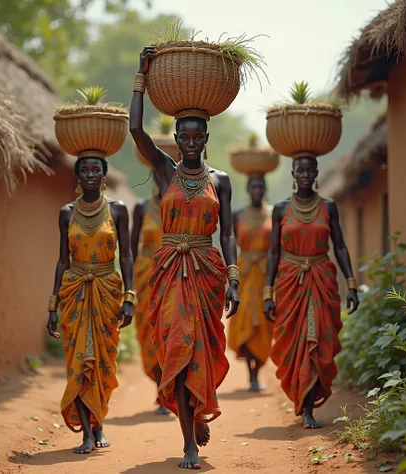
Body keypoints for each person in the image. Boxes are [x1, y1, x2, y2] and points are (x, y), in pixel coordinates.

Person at [129, 46, 240, 470]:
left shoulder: (221, 181)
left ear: (206, 139)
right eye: (184, 136)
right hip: (169, 270)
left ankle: (195, 413)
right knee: (176, 346)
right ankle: (188, 441)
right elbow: (136, 129)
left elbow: (227, 232)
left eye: (198, 136)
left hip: (208, 272)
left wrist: (232, 276)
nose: (191, 143)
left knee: (202, 350)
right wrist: (141, 75)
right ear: (175, 139)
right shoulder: (163, 171)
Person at [46, 155, 134, 454]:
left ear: (104, 175)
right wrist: (52, 305)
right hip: (74, 293)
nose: (91, 174)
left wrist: (129, 298)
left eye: (96, 169)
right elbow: (61, 260)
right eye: (85, 170)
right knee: (79, 362)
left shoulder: (118, 210)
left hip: (108, 291)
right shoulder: (66, 213)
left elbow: (126, 257)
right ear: (78, 176)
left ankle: (99, 426)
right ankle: (86, 432)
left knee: (104, 362)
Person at [263, 156, 359, 429]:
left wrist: (351, 283)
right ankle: (302, 401)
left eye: (310, 170)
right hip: (290, 283)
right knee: (297, 342)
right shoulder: (281, 210)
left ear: (317, 172)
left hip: (321, 280)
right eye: (300, 170)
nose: (305, 174)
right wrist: (267, 293)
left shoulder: (329, 207)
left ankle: (308, 410)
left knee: (317, 342)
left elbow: (339, 247)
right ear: (293, 173)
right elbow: (273, 252)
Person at [228, 176, 273, 392]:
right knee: (245, 320)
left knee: (265, 323)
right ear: (248, 189)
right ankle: (251, 376)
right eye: (254, 186)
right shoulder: (238, 215)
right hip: (245, 275)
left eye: (261, 186)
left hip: (265, 274)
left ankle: (259, 372)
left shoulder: (274, 214)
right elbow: (231, 245)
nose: (257, 190)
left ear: (265, 189)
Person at [131, 171, 169, 415]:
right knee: (148, 332)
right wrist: (129, 287)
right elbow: (131, 249)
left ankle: (170, 391)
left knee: (169, 332)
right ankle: (159, 389)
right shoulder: (142, 207)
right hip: (145, 278)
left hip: (173, 275)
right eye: (158, 175)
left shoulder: (182, 206)